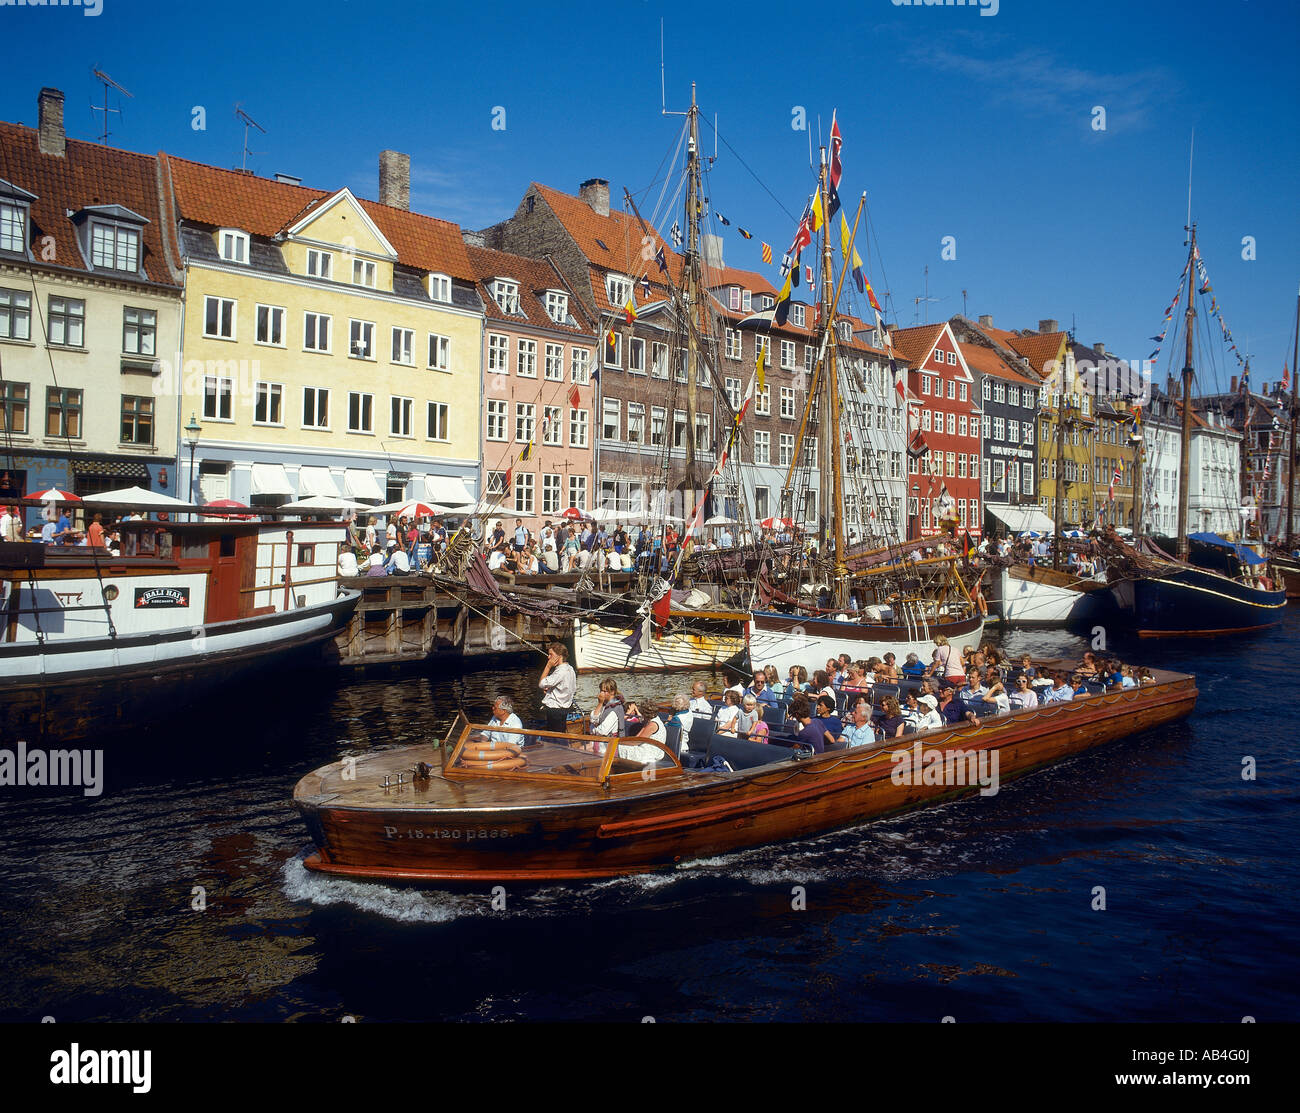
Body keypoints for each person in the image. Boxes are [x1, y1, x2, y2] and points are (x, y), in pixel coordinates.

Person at [538, 642, 577, 733]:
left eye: (551, 654)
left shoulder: (560, 671)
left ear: (559, 656)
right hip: (564, 708)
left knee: (555, 736)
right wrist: (550, 690)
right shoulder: (570, 669)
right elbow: (566, 687)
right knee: (560, 733)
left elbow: (541, 684)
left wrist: (548, 666)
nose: (548, 657)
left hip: (555, 711)